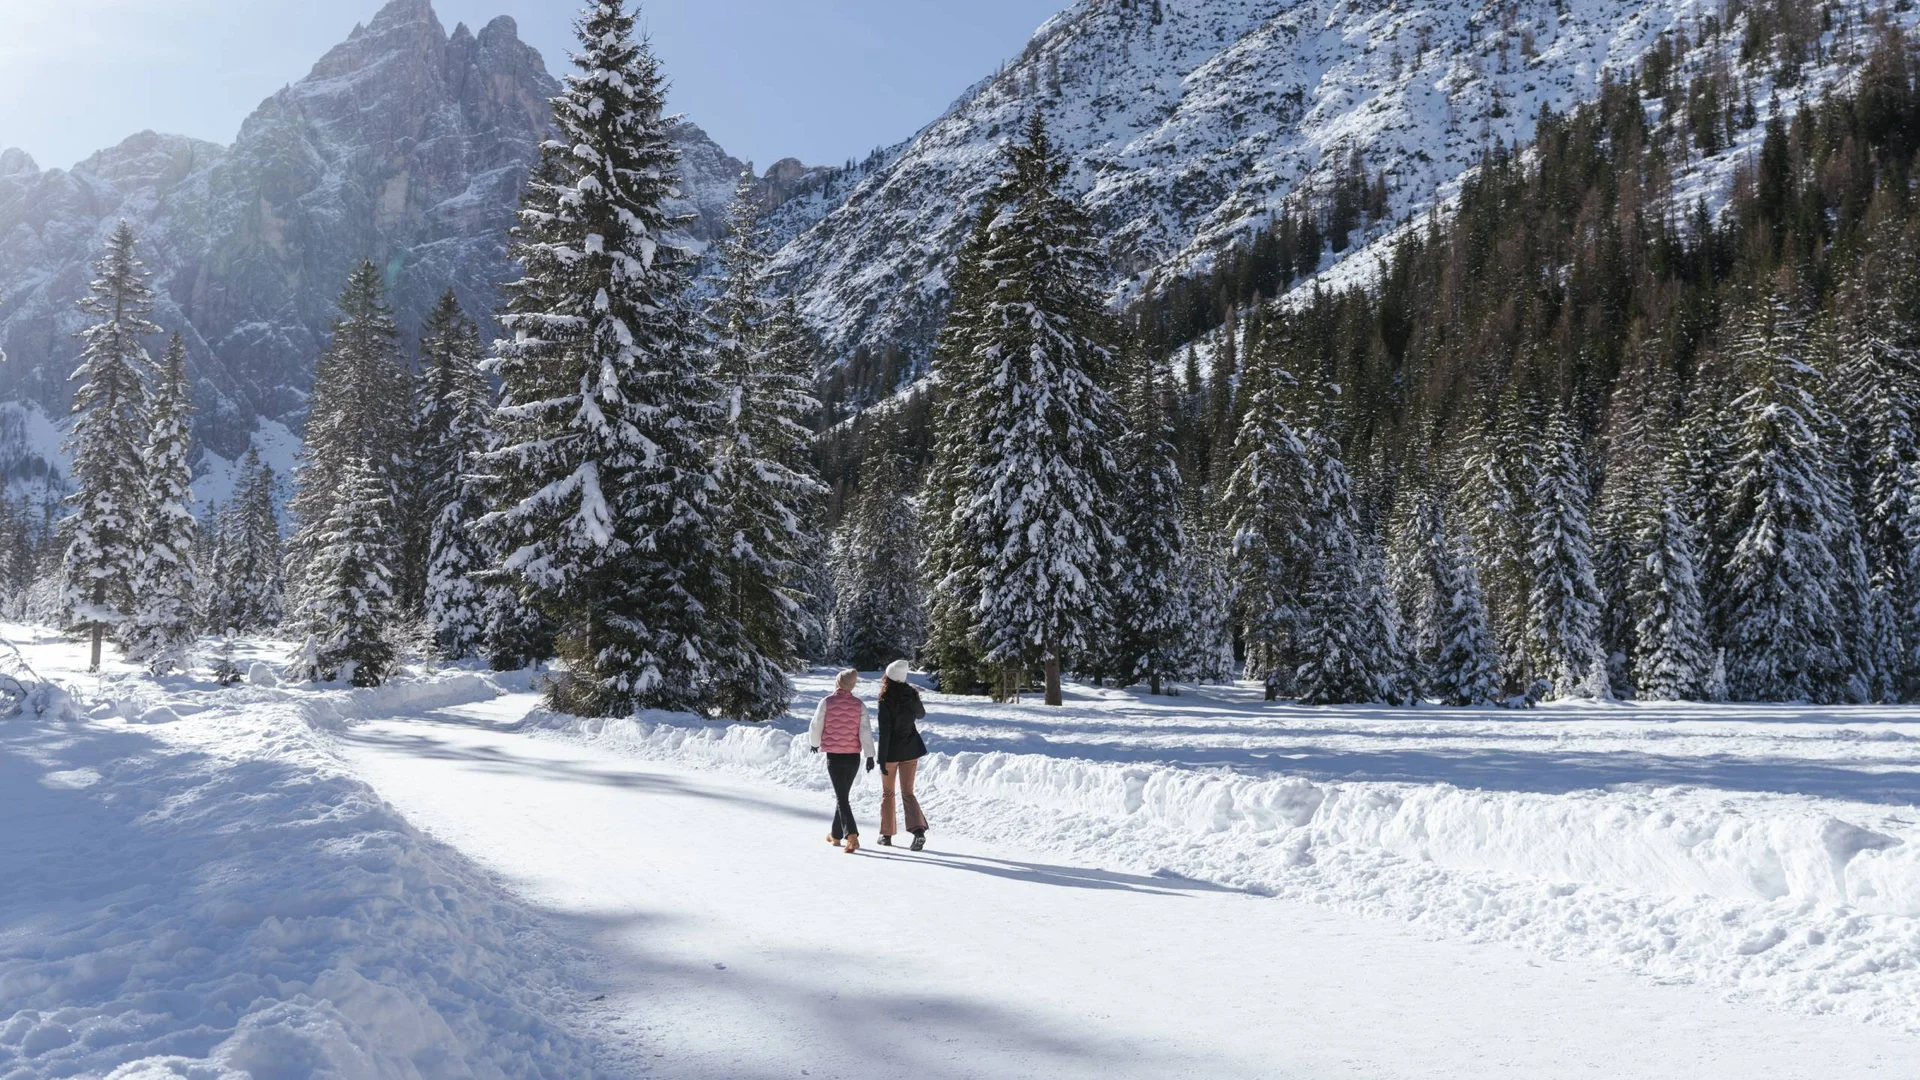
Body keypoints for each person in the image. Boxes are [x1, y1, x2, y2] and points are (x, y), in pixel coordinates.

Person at [808, 668, 874, 853]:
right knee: (842, 796)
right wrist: (869, 755)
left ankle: (852, 836)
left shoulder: (827, 702)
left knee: (842, 798)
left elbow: (816, 724)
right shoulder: (859, 705)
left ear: (838, 683)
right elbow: (865, 731)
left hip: (835, 757)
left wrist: (814, 743)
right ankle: (836, 835)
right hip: (853, 757)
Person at [875, 659, 930, 850]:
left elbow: (884, 732)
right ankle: (918, 831)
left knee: (888, 793)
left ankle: (887, 835)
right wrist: (913, 697)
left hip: (891, 753)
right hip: (910, 750)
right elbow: (921, 714)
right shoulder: (911, 695)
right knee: (908, 792)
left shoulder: (885, 699)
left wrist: (881, 758)